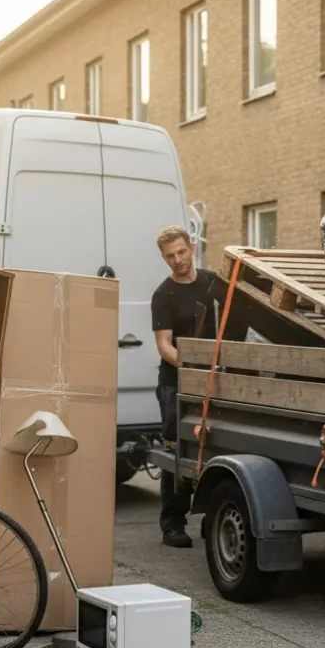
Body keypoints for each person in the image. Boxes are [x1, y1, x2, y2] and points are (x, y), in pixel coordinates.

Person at [149, 226, 217, 548]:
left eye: (181, 252)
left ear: (191, 248)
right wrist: (192, 368)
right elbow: (165, 346)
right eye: (169, 256)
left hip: (214, 379)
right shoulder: (164, 296)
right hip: (174, 384)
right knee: (178, 450)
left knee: (214, 448)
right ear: (164, 259)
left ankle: (211, 520)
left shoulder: (211, 283)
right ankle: (172, 523)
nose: (177, 260)